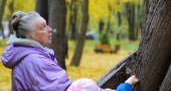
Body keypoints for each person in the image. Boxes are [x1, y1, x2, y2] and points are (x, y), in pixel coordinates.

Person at [2, 11, 139, 91]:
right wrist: (125, 87)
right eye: (43, 27)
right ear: (29, 36)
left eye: (47, 24)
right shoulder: (35, 62)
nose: (49, 29)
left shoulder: (27, 57)